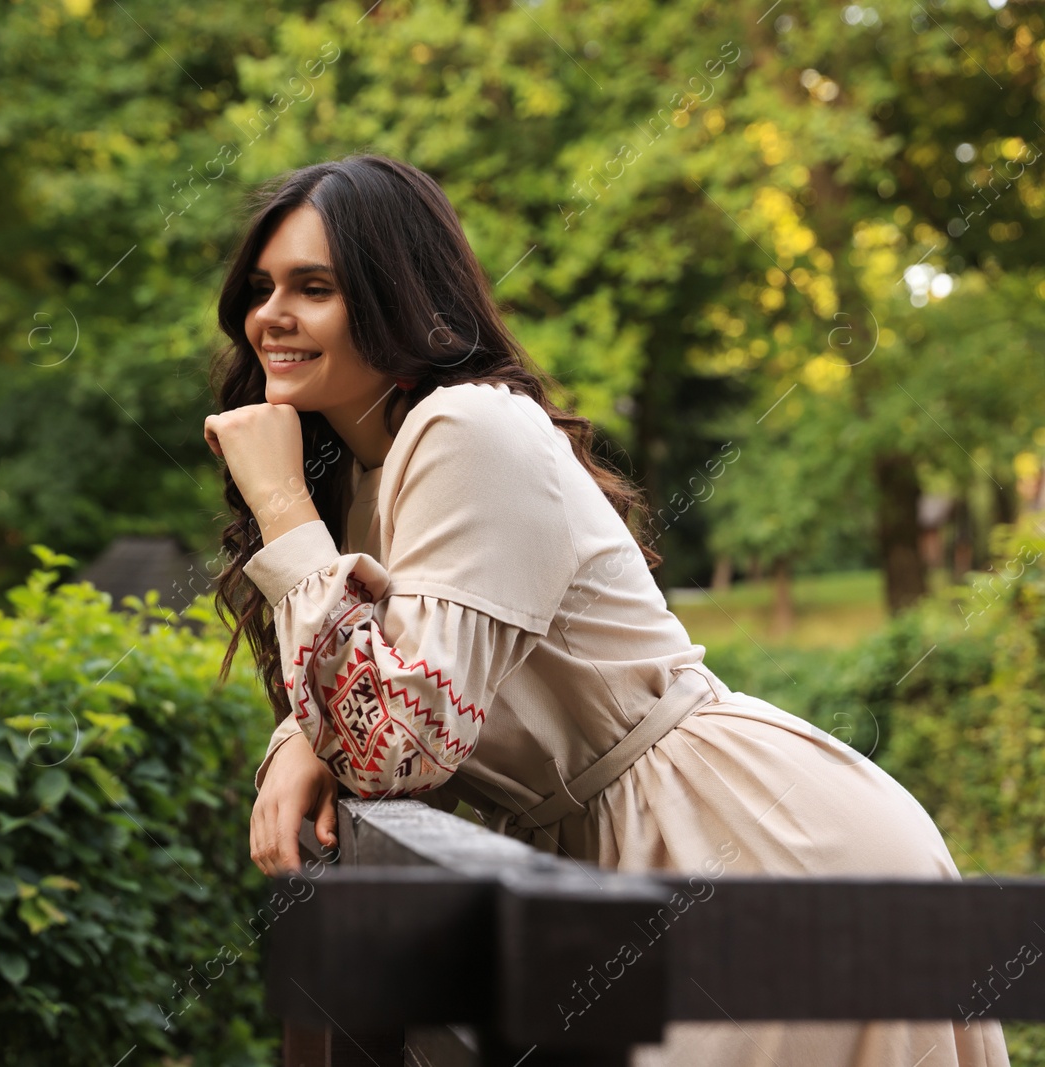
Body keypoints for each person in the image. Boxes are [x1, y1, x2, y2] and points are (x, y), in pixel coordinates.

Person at [202, 154, 1009, 1067]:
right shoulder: (353, 475)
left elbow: (401, 743)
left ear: (396, 296)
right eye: (261, 287)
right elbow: (373, 695)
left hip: (745, 841)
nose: (272, 315)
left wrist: (281, 513)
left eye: (315, 287)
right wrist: (299, 737)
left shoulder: (465, 428)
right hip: (608, 857)